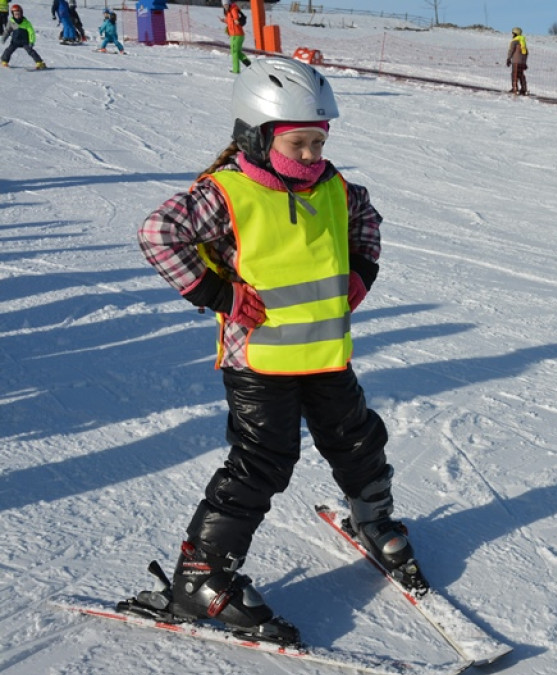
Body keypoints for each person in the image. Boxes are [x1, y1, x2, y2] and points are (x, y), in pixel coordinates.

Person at [135, 57, 418, 643]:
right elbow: (158, 234)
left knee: (357, 438)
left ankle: (374, 518)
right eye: (299, 143)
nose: (312, 155)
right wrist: (219, 294)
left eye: (319, 141)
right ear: (258, 136)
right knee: (263, 461)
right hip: (258, 361)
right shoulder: (227, 193)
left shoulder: (334, 187)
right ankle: (202, 576)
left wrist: (360, 273)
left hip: (326, 352)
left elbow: (367, 221)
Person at [1, 4, 46, 69]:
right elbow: (7, 31)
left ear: (21, 13)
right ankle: (4, 61)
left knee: (31, 51)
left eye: (18, 14)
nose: (17, 15)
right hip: (15, 41)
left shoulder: (26, 22)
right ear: (13, 14)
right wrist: (4, 38)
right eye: (15, 14)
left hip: (25, 41)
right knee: (8, 50)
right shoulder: (11, 22)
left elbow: (31, 32)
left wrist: (31, 41)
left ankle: (40, 62)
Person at [222, 0, 250, 74]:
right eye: (224, 5)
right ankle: (249, 64)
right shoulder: (229, 12)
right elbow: (230, 21)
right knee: (237, 52)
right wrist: (224, 20)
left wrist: (236, 20)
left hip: (236, 35)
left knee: (234, 52)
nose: (225, 6)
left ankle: (236, 70)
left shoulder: (233, 10)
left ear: (229, 4)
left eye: (226, 4)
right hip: (237, 35)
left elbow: (236, 18)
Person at [505, 26, 528, 95]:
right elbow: (526, 53)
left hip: (515, 61)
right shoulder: (523, 42)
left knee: (514, 75)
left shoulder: (514, 41)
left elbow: (511, 50)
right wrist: (524, 62)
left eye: (513, 33)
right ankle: (524, 89)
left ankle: (515, 88)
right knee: (521, 75)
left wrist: (508, 58)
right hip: (522, 62)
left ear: (515, 33)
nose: (512, 35)